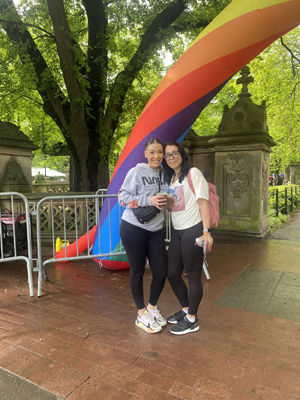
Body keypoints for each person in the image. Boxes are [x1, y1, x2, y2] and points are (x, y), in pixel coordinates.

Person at [118, 138, 169, 334]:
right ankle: (141, 314)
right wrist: (148, 199)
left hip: (156, 229)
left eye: (160, 152)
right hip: (133, 227)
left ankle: (152, 308)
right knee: (138, 271)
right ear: (145, 154)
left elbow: (168, 198)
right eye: (152, 152)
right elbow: (122, 198)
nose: (157, 156)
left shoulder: (166, 174)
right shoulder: (136, 172)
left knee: (160, 271)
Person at [163, 141, 213, 335]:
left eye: (174, 153)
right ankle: (185, 310)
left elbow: (203, 203)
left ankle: (192, 319)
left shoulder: (193, 173)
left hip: (193, 230)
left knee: (192, 277)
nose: (171, 157)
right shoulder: (171, 178)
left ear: (182, 154)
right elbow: (174, 206)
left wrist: (206, 231)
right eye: (167, 155)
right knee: (172, 274)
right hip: (177, 231)